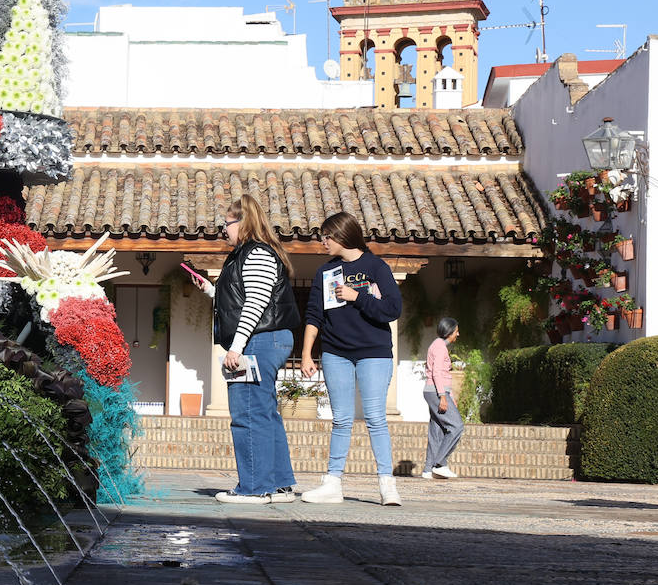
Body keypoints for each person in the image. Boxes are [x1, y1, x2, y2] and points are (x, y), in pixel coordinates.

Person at [191, 194, 302, 504]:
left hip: (259, 339)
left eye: (227, 224)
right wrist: (212, 290)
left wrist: (236, 348)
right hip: (267, 337)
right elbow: (245, 297)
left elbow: (255, 304)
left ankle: (254, 487)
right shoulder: (251, 254)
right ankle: (279, 484)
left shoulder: (255, 254)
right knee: (265, 412)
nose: (224, 230)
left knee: (248, 412)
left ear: (243, 222)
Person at [300, 212, 404, 506]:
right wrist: (307, 353)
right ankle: (333, 483)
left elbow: (393, 309)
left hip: (374, 352)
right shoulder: (324, 272)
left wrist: (357, 296)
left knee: (375, 418)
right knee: (341, 420)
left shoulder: (376, 266)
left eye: (327, 237)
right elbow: (314, 315)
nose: (323, 242)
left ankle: (387, 484)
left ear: (342, 236)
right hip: (335, 353)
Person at [422, 317, 464, 479]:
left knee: (437, 430)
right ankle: (439, 464)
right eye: (456, 331)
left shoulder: (437, 345)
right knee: (457, 426)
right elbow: (437, 373)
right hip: (436, 392)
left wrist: (449, 397)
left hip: (434, 391)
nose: (458, 334)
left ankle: (427, 469)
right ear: (449, 332)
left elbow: (443, 376)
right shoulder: (440, 347)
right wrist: (442, 396)